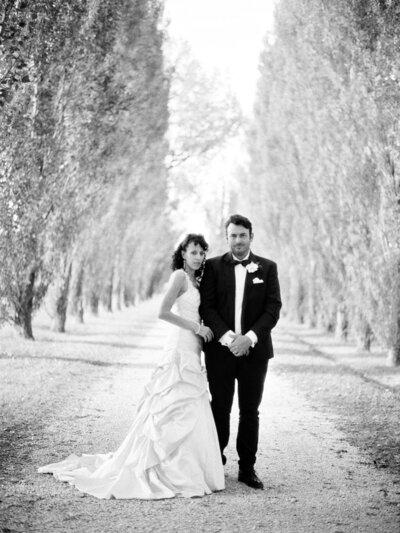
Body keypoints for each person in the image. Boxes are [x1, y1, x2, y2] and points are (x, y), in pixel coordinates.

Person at [38, 234, 225, 499]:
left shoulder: (197, 280)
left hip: (193, 347)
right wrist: (197, 327)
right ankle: (166, 467)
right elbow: (163, 312)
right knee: (172, 400)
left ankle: (191, 466)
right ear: (183, 253)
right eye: (193, 251)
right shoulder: (179, 277)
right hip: (180, 344)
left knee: (192, 402)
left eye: (202, 252)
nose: (198, 256)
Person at [200, 214, 282, 490]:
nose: (237, 240)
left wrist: (249, 338)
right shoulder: (211, 268)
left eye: (242, 235)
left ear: (251, 237)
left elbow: (273, 309)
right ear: (227, 238)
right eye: (233, 235)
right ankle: (215, 462)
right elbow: (207, 307)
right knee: (219, 407)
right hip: (220, 352)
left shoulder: (267, 268)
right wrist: (227, 338)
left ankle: (247, 468)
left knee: (250, 410)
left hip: (255, 353)